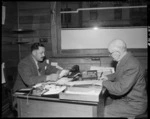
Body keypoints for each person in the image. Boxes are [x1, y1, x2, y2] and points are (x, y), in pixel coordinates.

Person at [94, 39, 147, 118]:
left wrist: (102, 82)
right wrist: (107, 77)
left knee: (99, 112)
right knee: (99, 104)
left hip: (134, 105)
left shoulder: (132, 64)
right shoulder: (126, 59)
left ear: (117, 52)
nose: (110, 56)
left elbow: (120, 89)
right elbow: (120, 73)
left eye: (110, 53)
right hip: (126, 99)